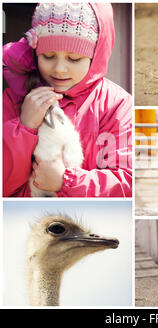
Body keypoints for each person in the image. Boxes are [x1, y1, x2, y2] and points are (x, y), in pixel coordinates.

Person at [3, 3, 132, 197]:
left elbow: (126, 182)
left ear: (96, 55)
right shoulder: (15, 98)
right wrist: (24, 127)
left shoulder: (116, 105)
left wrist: (65, 181)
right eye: (48, 56)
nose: (59, 69)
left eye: (74, 58)